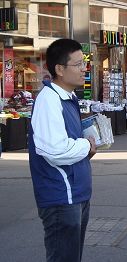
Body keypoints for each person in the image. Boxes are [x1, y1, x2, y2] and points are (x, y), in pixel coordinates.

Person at [28, 38, 96, 262]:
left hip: (76, 194)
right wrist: (86, 146)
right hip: (61, 197)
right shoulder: (49, 99)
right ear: (59, 69)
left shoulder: (68, 97)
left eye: (84, 63)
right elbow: (54, 150)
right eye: (78, 64)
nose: (84, 69)